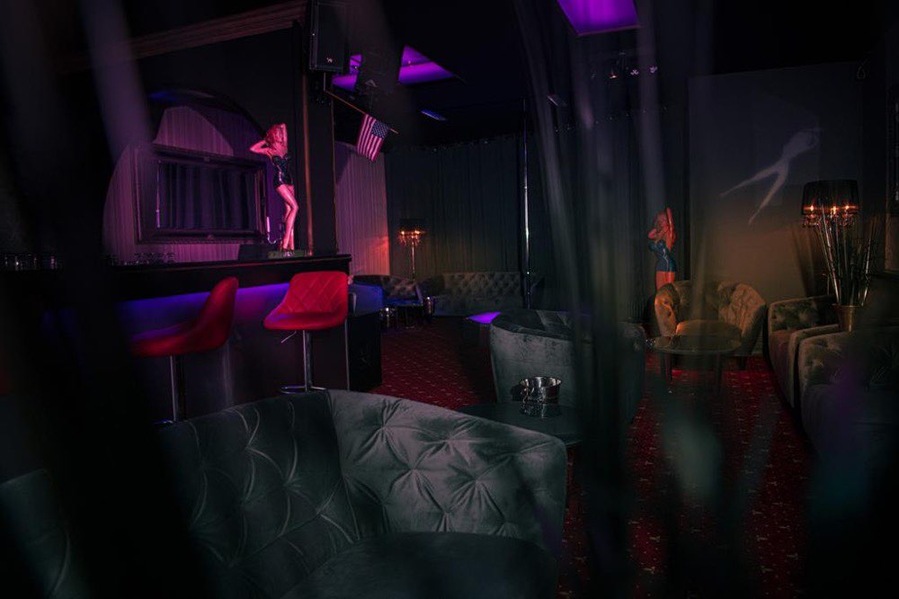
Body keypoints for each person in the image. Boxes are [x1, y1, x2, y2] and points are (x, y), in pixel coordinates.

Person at [250, 123, 298, 252]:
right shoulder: (269, 150)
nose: (281, 135)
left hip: (290, 180)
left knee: (289, 211)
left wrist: (280, 129)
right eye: (278, 133)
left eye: (281, 133)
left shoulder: (284, 145)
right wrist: (267, 140)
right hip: (279, 180)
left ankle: (291, 246)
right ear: (273, 135)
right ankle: (285, 243)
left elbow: (284, 125)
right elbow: (253, 149)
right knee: (295, 207)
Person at [648, 207, 677, 290]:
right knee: (661, 290)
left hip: (669, 264)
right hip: (662, 264)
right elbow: (650, 235)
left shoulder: (669, 235)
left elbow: (671, 227)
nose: (662, 222)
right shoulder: (658, 234)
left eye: (664, 220)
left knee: (669, 290)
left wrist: (669, 216)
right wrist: (661, 230)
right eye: (660, 220)